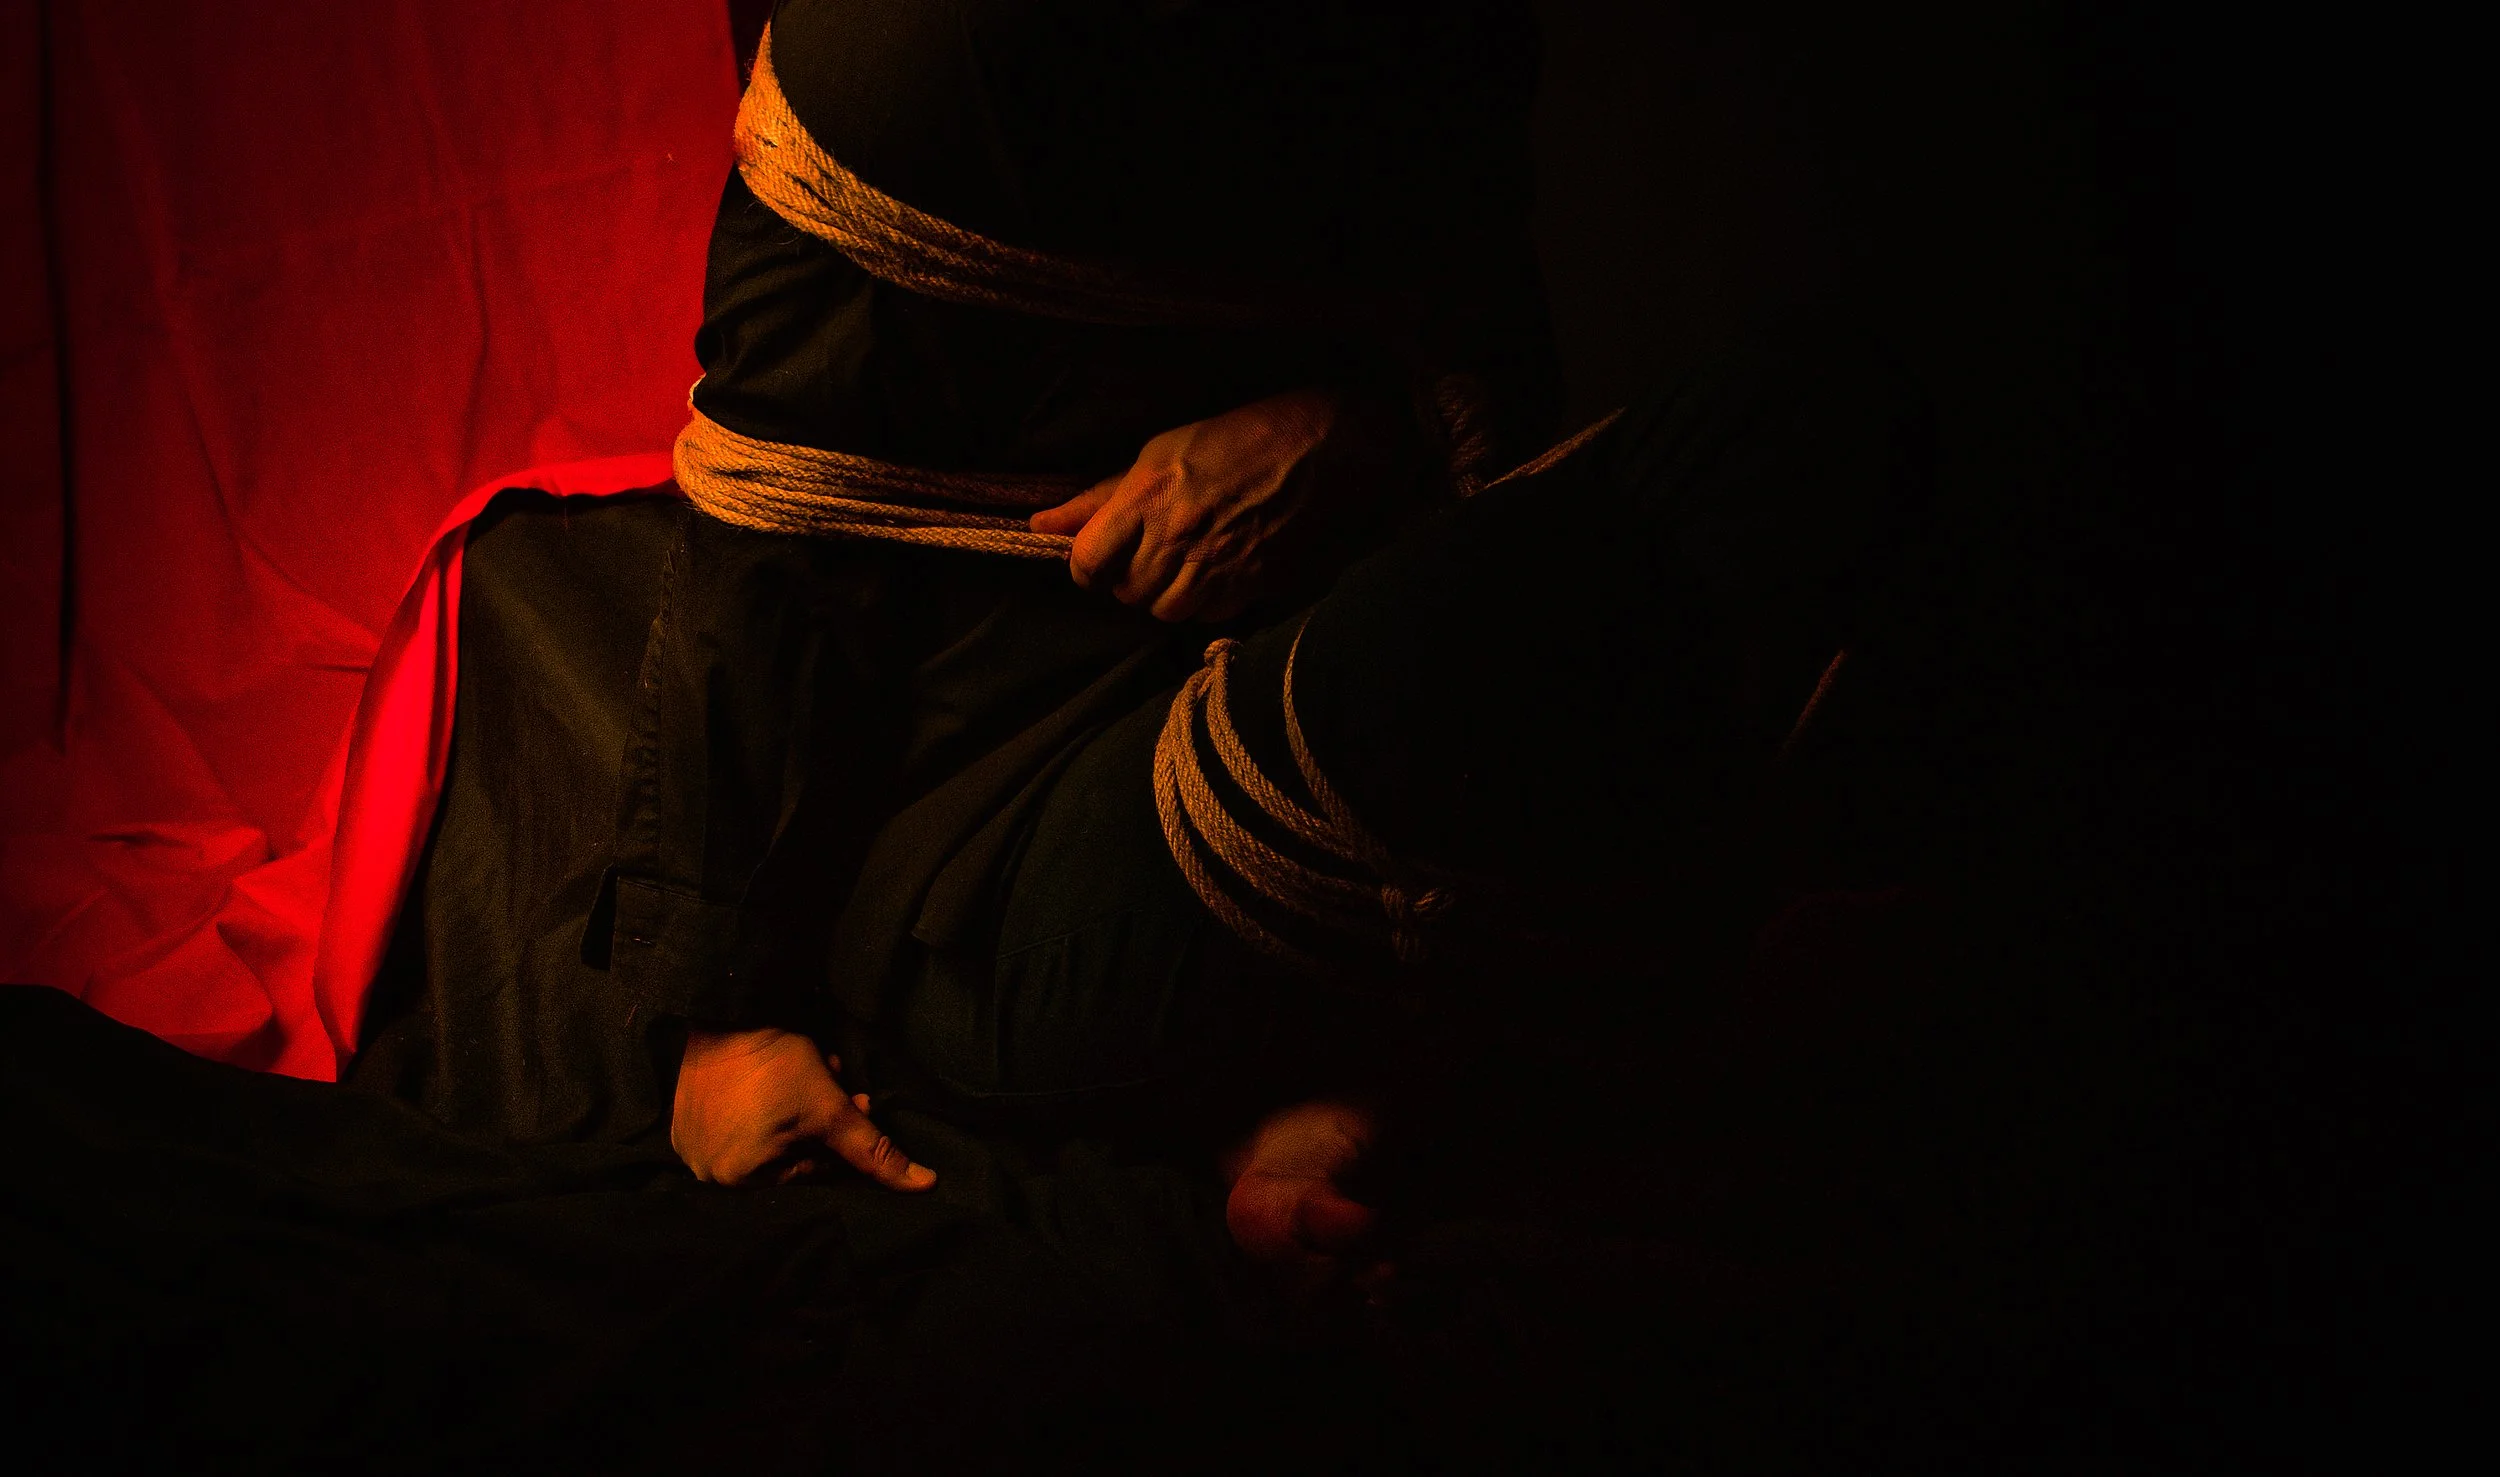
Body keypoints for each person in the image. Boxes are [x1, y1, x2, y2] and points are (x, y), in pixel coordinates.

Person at [346, 0, 1561, 1208]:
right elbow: (780, 515)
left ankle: (1299, 1083)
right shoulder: (917, 54)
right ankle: (1273, 1086)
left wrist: (1357, 434)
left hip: (1247, 687)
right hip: (971, 753)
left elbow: (1500, 325)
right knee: (526, 602)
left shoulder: (1433, 52)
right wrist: (725, 1021)